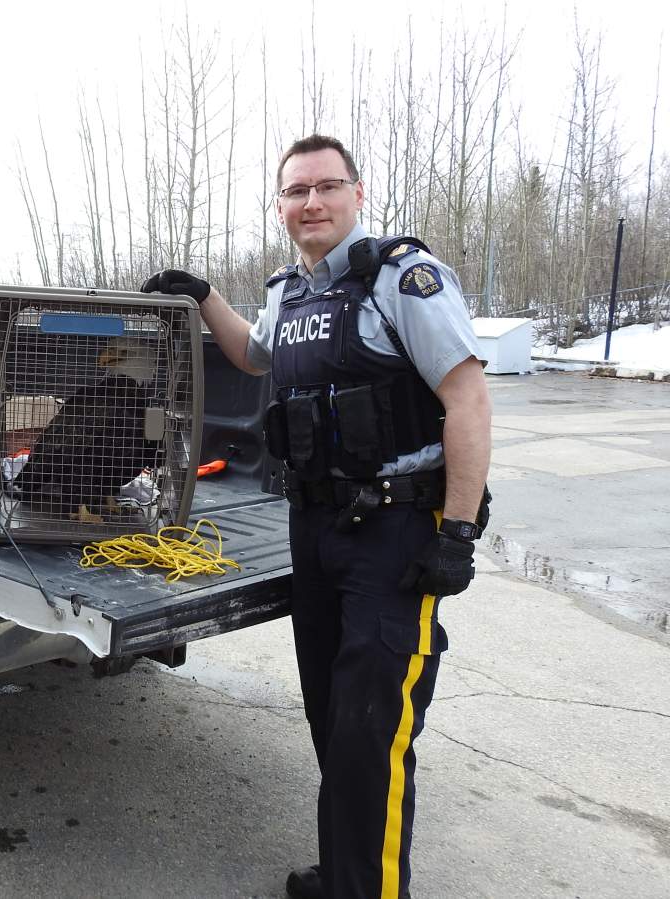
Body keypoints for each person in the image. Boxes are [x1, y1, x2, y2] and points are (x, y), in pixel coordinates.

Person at [142, 135, 491, 899]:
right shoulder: (287, 293)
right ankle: (344, 873)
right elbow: (255, 356)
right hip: (316, 531)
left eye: (326, 187)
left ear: (357, 194)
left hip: (397, 534)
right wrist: (203, 294)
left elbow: (468, 400)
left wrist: (458, 532)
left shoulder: (402, 278)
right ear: (280, 206)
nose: (311, 203)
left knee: (374, 733)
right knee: (333, 717)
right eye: (296, 191)